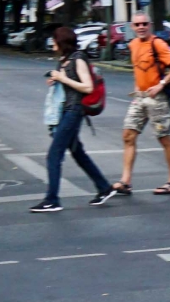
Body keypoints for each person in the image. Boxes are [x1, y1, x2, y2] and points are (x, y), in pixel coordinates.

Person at [33, 25, 115, 211]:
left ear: (61, 42)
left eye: (54, 39)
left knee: (54, 155)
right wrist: (56, 80)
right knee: (78, 152)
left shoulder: (78, 59)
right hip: (64, 111)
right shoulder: (64, 60)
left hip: (74, 111)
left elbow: (87, 87)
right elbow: (68, 85)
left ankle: (52, 200)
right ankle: (103, 187)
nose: (51, 43)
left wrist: (62, 79)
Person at [111, 13, 170, 197]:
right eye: (137, 24)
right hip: (140, 97)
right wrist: (137, 90)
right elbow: (139, 69)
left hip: (157, 98)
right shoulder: (133, 44)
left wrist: (162, 84)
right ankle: (125, 182)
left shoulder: (157, 43)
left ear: (149, 25)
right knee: (128, 135)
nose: (141, 27)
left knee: (163, 138)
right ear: (132, 27)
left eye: (144, 23)